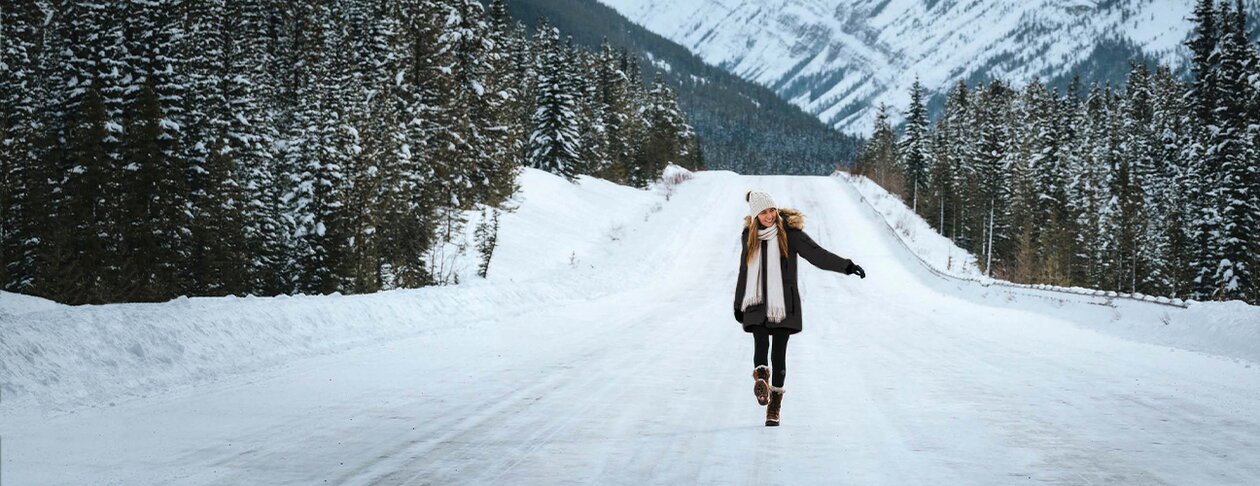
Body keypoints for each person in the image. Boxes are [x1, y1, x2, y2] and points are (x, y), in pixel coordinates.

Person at [733, 190, 866, 426]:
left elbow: (817, 255)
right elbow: (745, 270)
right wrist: (738, 303)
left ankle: (774, 405)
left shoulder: (790, 234)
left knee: (779, 353)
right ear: (755, 216)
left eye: (772, 210)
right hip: (756, 302)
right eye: (763, 212)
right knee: (761, 342)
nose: (770, 216)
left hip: (784, 303)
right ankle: (761, 379)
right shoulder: (749, 236)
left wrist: (847, 266)